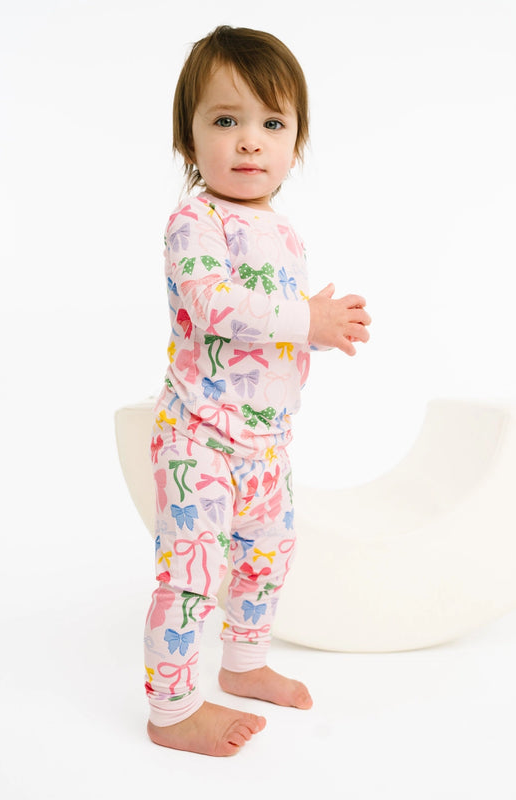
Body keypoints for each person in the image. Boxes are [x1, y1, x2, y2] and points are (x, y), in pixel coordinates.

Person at [144, 25, 371, 757]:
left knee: (265, 556)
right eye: (225, 120)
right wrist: (307, 319)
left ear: (296, 143)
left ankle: (242, 663)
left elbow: (270, 332)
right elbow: (215, 306)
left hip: (267, 443)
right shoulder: (195, 222)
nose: (249, 141)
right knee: (191, 573)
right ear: (187, 140)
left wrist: (317, 331)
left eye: (272, 123)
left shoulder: (284, 231)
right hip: (200, 435)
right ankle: (172, 709)